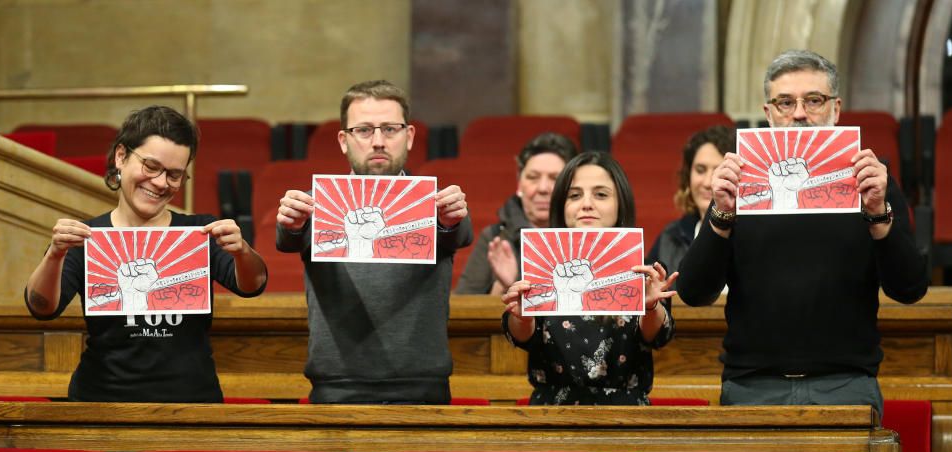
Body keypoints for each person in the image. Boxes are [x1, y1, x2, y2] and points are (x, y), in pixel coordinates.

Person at [676, 50, 928, 417]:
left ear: (836, 110)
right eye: (784, 102)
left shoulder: (869, 180)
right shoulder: (741, 184)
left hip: (846, 383)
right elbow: (695, 292)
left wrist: (877, 214)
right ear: (768, 114)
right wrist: (721, 213)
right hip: (752, 385)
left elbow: (910, 289)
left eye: (813, 100)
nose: (798, 113)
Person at [24, 105, 268, 402]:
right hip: (101, 404)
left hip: (192, 404)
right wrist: (55, 255)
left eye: (175, 175)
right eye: (151, 167)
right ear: (121, 157)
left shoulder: (199, 232)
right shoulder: (88, 238)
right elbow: (42, 308)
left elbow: (253, 285)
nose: (161, 183)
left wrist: (242, 250)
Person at [275, 80, 473, 404]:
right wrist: (292, 224)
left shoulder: (438, 205)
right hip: (336, 385)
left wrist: (451, 220)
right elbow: (287, 238)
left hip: (422, 387)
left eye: (390, 129)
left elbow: (458, 231)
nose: (378, 141)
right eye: (364, 130)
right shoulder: (315, 205)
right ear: (344, 140)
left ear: (408, 136)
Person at [501, 151, 677, 405]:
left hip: (625, 413)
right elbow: (522, 336)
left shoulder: (645, 272)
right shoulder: (541, 267)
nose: (586, 204)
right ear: (561, 205)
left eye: (601, 194)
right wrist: (522, 315)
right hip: (550, 413)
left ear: (620, 204)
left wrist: (650, 305)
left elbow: (655, 337)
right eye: (574, 195)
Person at [454, 132, 578, 294]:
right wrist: (504, 286)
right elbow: (463, 309)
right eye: (533, 177)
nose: (542, 188)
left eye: (555, 178)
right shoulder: (495, 237)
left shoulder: (586, 236)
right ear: (519, 184)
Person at [646, 125, 735, 279]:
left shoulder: (754, 235)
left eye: (719, 171)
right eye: (700, 170)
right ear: (688, 176)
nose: (708, 182)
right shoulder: (671, 236)